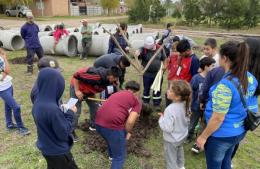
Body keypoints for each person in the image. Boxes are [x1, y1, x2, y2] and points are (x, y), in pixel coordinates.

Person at [196, 41, 258, 169]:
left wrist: (203, 137)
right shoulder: (250, 77)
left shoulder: (225, 86)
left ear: (225, 58)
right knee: (226, 161)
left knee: (214, 165)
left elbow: (218, 118)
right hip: (239, 131)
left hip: (221, 135)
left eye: (219, 56)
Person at [32, 68, 78, 169]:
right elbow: (64, 133)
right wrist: (70, 112)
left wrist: (60, 112)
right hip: (58, 152)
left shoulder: (37, 102)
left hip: (47, 148)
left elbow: (49, 122)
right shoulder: (52, 110)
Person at [95, 81, 142, 169]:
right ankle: (115, 157)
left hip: (98, 123)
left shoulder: (117, 94)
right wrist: (128, 132)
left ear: (126, 88)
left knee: (111, 138)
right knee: (119, 157)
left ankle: (112, 155)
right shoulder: (136, 102)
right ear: (137, 92)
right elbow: (130, 122)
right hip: (112, 127)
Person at [70, 66, 121, 139]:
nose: (116, 80)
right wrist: (77, 91)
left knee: (94, 107)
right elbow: (76, 75)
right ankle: (70, 131)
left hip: (89, 90)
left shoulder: (111, 80)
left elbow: (115, 89)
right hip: (78, 87)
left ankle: (93, 124)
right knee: (76, 110)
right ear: (110, 75)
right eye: (116, 78)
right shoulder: (96, 76)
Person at [159, 80, 192, 169]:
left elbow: (167, 128)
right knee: (179, 150)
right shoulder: (186, 104)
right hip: (182, 136)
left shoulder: (170, 109)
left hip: (171, 139)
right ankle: (181, 166)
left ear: (177, 97)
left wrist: (161, 119)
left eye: (170, 90)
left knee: (170, 159)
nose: (167, 91)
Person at [0, 48, 30, 136]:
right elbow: (7, 71)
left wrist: (4, 58)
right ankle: (21, 128)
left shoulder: (1, 55)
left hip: (8, 85)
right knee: (16, 107)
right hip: (2, 89)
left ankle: (9, 124)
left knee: (8, 106)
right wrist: (5, 72)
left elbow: (7, 71)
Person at [187, 57, 216, 143]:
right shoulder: (196, 78)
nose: (214, 68)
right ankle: (188, 136)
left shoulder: (213, 78)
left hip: (208, 107)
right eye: (212, 66)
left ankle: (200, 139)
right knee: (192, 123)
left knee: (204, 124)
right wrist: (189, 105)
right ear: (206, 67)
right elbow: (190, 92)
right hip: (196, 106)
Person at [135, 36, 167, 110]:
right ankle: (145, 102)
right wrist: (138, 52)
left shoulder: (160, 49)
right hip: (147, 74)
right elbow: (140, 50)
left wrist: (165, 66)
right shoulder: (144, 49)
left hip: (157, 74)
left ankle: (157, 103)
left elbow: (165, 59)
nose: (148, 48)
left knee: (157, 89)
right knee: (146, 88)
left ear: (154, 44)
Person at [166, 39, 199, 106]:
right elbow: (180, 70)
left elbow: (195, 78)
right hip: (179, 87)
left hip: (185, 90)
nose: (180, 54)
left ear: (187, 50)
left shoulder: (194, 60)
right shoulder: (182, 57)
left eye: (181, 53)